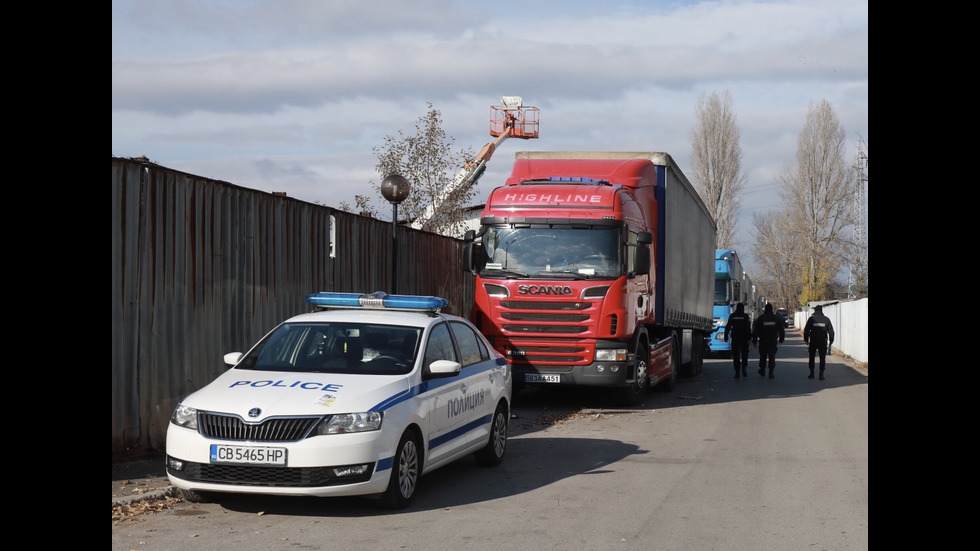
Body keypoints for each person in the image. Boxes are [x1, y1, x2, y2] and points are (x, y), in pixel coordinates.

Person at [752, 303, 785, 378]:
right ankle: (771, 372)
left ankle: (762, 370)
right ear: (772, 309)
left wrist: (754, 341)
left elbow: (756, 330)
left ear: (765, 309)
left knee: (763, 356)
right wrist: (781, 339)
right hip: (773, 341)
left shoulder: (761, 318)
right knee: (771, 356)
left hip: (763, 341)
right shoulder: (776, 318)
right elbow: (781, 329)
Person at [803, 305, 835, 380]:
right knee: (822, 358)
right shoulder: (826, 319)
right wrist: (831, 340)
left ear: (815, 311)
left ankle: (812, 373)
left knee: (812, 357)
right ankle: (821, 374)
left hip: (813, 341)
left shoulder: (811, 319)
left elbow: (806, 330)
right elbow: (831, 331)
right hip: (823, 341)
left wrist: (806, 340)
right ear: (821, 310)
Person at [723, 302, 752, 379]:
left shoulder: (732, 316)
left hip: (735, 338)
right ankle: (744, 367)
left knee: (736, 355)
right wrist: (749, 338)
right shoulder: (745, 316)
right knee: (744, 354)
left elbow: (728, 326)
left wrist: (725, 336)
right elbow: (748, 328)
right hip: (744, 339)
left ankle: (737, 372)